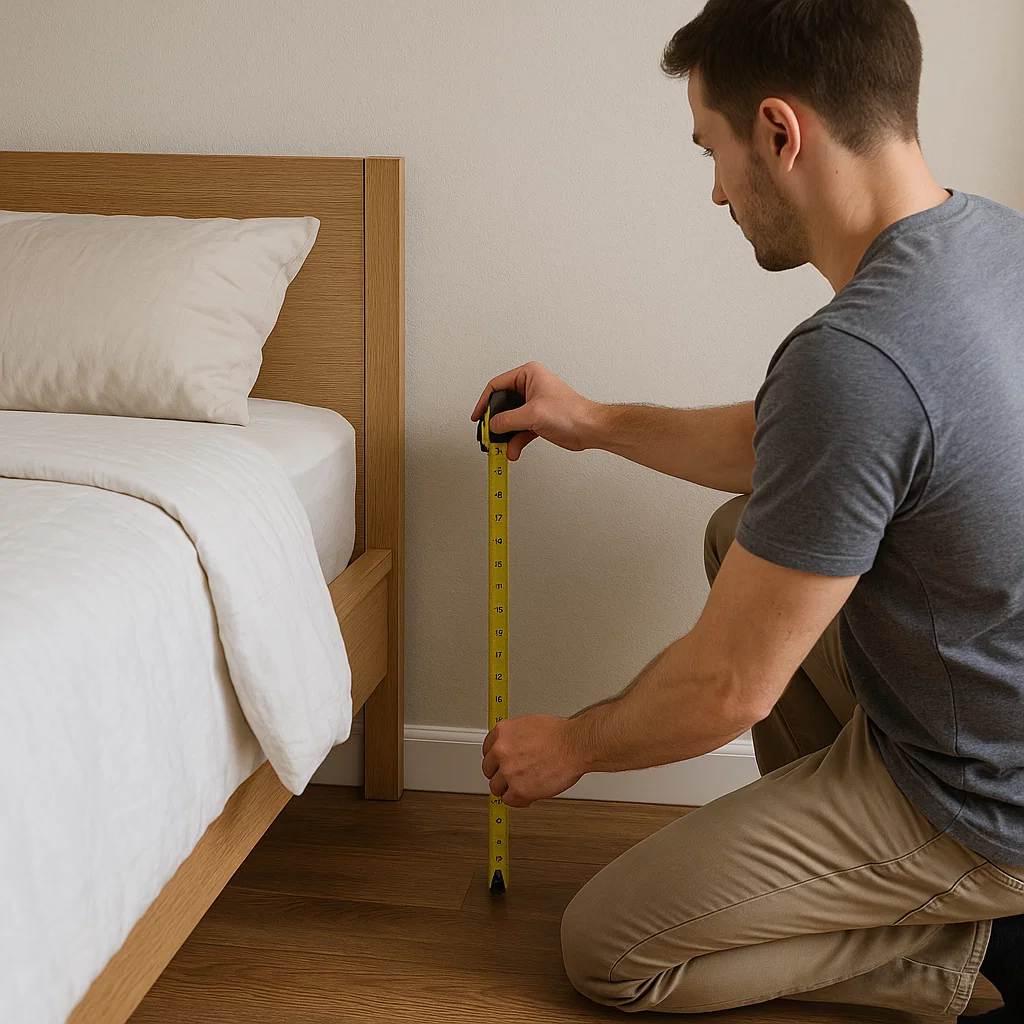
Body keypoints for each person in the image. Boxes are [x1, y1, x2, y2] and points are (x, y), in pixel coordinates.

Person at [470, 0, 1024, 1019]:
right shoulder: (987, 240)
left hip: (982, 805)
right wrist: (588, 417)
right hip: (987, 704)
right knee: (742, 531)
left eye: (712, 150)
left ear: (780, 131)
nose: (716, 190)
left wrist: (572, 746)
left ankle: (966, 953)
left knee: (610, 948)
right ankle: (848, 874)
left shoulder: (855, 358)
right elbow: (797, 451)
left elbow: (730, 689)